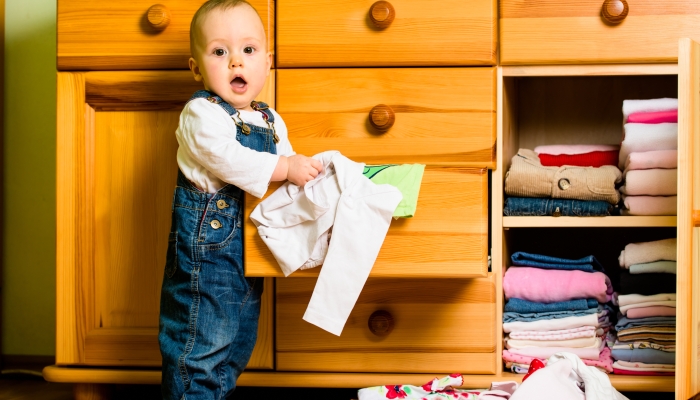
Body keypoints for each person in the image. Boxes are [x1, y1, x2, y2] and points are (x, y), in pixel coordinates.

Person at [158, 1, 322, 398]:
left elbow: (285, 184)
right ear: (197, 67)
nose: (236, 62)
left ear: (268, 62)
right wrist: (285, 167)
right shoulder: (201, 113)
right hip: (207, 258)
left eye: (248, 51)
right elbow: (226, 157)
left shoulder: (270, 119)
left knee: (235, 347)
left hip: (248, 255)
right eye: (219, 52)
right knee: (199, 346)